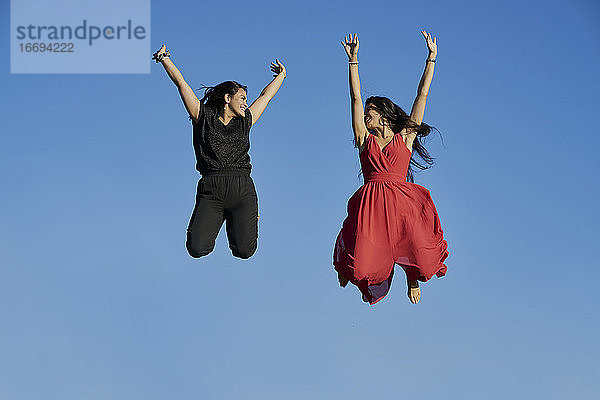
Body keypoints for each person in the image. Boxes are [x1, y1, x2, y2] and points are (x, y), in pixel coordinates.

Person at [333, 32, 449, 305]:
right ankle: (349, 268)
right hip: (372, 199)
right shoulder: (364, 139)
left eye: (369, 112)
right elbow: (355, 98)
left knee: (412, 243)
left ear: (382, 113)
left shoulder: (406, 137)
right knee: (362, 264)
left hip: (400, 199)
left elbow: (422, 95)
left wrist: (431, 60)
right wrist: (353, 62)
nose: (364, 115)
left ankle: (411, 277)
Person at [152, 44, 286, 259]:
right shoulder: (202, 117)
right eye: (242, 98)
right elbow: (181, 84)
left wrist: (282, 76)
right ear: (227, 98)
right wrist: (164, 58)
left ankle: (245, 216)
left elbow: (266, 96)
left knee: (245, 251)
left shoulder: (245, 122)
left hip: (242, 188)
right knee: (197, 249)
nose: (245, 103)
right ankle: (221, 216)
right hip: (211, 188)